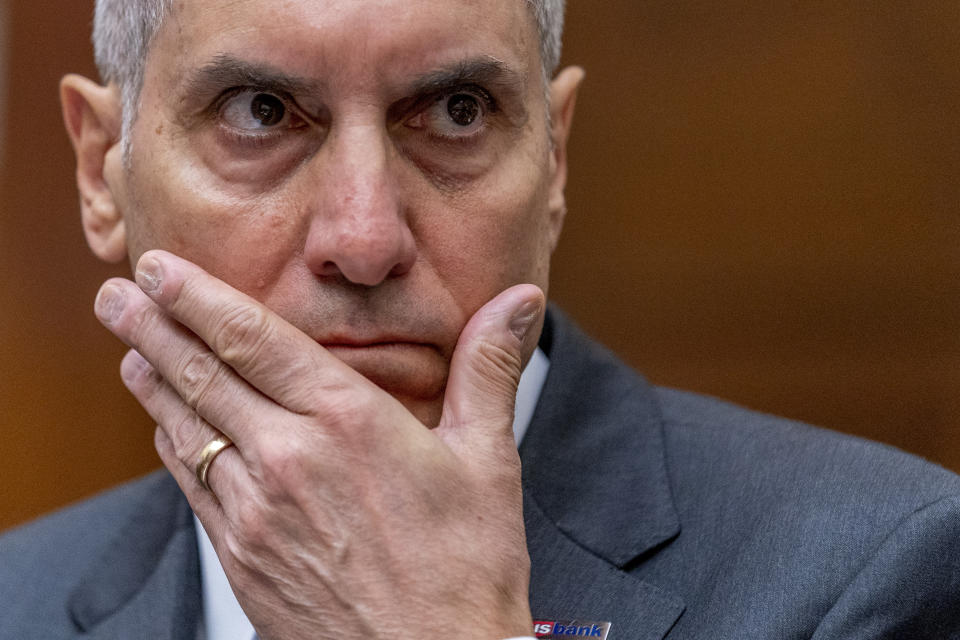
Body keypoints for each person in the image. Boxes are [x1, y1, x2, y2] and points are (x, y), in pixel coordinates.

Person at [2, 0, 960, 638]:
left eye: (456, 112)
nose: (365, 239)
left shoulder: (872, 574)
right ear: (101, 172)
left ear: (556, 164)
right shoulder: (18, 600)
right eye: (260, 111)